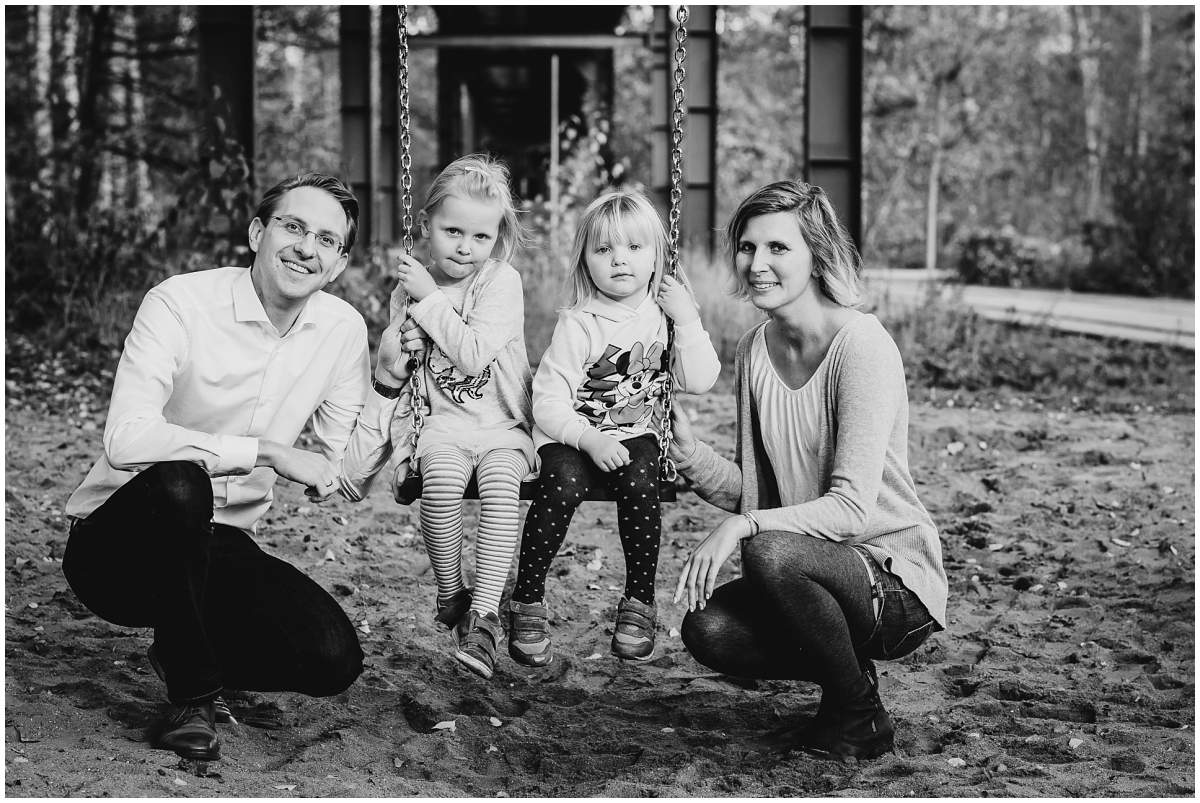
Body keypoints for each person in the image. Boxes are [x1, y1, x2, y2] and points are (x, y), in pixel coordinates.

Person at [62, 173, 414, 762]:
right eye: (293, 227)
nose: (306, 247)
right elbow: (127, 439)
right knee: (182, 482)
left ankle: (181, 642)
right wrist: (267, 452)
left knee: (333, 658)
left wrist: (385, 384)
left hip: (218, 546)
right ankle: (192, 696)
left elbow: (341, 475)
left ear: (338, 262)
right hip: (118, 548)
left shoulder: (342, 329)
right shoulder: (179, 301)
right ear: (257, 233)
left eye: (326, 240)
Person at [669, 180, 947, 760]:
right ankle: (848, 685)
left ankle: (859, 716)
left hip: (892, 583)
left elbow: (850, 510)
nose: (757, 264)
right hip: (810, 570)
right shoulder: (754, 349)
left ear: (816, 255)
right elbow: (757, 492)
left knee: (768, 548)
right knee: (708, 628)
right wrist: (689, 453)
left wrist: (745, 528)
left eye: (778, 248)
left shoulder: (862, 346)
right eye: (747, 248)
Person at [336, 154, 534, 682]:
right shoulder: (412, 285)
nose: (465, 248)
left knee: (499, 491)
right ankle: (451, 589)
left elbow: (472, 353)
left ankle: (486, 615)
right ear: (426, 226)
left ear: (497, 238)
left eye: (481, 237)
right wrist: (401, 344)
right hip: (440, 426)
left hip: (501, 427)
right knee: (441, 484)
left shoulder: (500, 284)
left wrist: (428, 302)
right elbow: (404, 359)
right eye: (452, 232)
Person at [507, 190, 721, 668]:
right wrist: (589, 438)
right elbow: (547, 403)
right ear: (585, 260)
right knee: (562, 483)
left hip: (635, 431)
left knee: (642, 481)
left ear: (658, 257)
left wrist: (688, 318)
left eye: (634, 248)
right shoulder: (579, 324)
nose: (619, 260)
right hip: (571, 433)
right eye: (603, 250)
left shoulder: (667, 316)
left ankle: (638, 604)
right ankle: (527, 599)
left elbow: (701, 380)